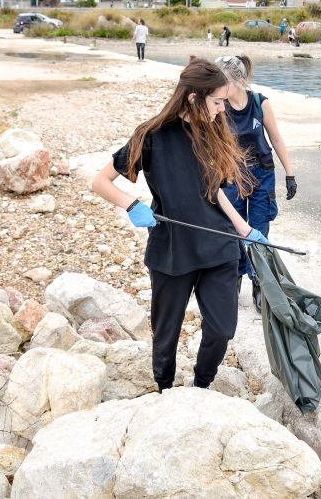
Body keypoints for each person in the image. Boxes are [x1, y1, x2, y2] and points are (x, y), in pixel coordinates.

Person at [91, 59, 266, 391]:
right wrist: (132, 205)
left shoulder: (214, 131)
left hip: (219, 248)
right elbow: (101, 182)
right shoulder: (151, 136)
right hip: (171, 251)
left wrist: (244, 230)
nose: (221, 110)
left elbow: (214, 191)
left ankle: (201, 386)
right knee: (166, 334)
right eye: (216, 101)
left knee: (221, 330)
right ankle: (165, 389)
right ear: (193, 98)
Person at [215, 54, 296, 310]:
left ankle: (259, 283)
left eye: (222, 81)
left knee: (259, 231)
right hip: (231, 176)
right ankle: (235, 280)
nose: (217, 88)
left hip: (262, 174)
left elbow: (277, 139)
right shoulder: (218, 106)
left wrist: (290, 173)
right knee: (234, 230)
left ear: (238, 80)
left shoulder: (260, 103)